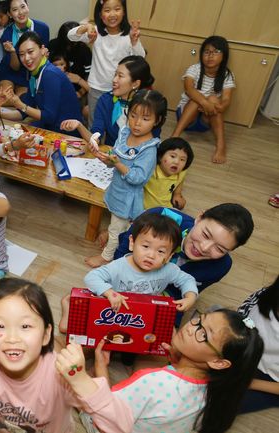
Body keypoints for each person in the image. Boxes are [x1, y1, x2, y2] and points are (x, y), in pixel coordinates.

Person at [0, 277, 125, 433]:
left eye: (25, 326)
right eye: (0, 326)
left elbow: (120, 427)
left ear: (46, 335)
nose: (12, 338)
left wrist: (80, 380)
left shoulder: (61, 375)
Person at [61, 307, 264, 433]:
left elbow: (110, 419)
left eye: (203, 334)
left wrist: (97, 370)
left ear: (219, 362)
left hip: (106, 425)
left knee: (57, 351)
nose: (191, 327)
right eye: (199, 319)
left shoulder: (152, 381)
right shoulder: (219, 388)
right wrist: (177, 361)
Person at [59, 212, 198, 332]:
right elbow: (92, 276)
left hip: (140, 312)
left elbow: (187, 279)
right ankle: (68, 303)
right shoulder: (119, 266)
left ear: (169, 256)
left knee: (167, 335)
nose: (151, 255)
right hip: (113, 307)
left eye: (161, 251)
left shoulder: (169, 269)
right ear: (132, 243)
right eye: (145, 246)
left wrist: (190, 297)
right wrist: (110, 293)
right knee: (77, 327)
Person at [84, 89, 167, 268]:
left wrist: (117, 163)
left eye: (145, 119)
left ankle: (106, 257)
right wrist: (103, 157)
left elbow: (138, 178)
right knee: (119, 227)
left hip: (128, 199)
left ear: (157, 120)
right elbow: (114, 158)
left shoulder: (149, 149)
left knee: (116, 230)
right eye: (133, 115)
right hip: (116, 190)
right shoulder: (124, 132)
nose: (137, 123)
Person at [114, 203, 255, 302]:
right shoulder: (158, 218)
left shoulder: (220, 266)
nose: (204, 247)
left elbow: (181, 295)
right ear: (199, 218)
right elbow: (121, 255)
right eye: (205, 234)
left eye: (219, 249)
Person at [68, 0, 145, 124]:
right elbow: (71, 36)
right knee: (94, 123)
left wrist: (134, 41)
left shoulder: (128, 35)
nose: (112, 14)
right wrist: (87, 27)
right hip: (97, 88)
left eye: (117, 9)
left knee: (117, 123)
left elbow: (140, 58)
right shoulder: (96, 33)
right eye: (107, 10)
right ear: (100, 14)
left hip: (122, 89)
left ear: (124, 12)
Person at [61, 55, 157, 146]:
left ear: (135, 84)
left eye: (120, 76)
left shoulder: (150, 106)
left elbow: (152, 143)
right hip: (111, 154)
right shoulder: (106, 100)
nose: (114, 80)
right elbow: (96, 138)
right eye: (115, 74)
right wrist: (79, 125)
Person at [1, 31, 83, 134]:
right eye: (21, 54)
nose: (26, 58)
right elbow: (22, 113)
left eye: (30, 52)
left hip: (66, 133)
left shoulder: (50, 74)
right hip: (48, 127)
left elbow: (48, 117)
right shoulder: (34, 75)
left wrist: (21, 105)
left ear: (42, 49)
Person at [172, 36, 235, 164]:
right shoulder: (195, 69)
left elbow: (226, 99)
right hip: (186, 117)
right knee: (197, 98)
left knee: (214, 99)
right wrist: (204, 102)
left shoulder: (227, 75)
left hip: (205, 121)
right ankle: (174, 136)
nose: (210, 56)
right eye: (207, 52)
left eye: (215, 52)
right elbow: (189, 89)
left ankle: (221, 146)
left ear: (224, 55)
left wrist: (221, 106)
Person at [238, 274, 279, 413]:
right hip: (245, 350)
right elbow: (243, 317)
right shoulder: (265, 295)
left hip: (269, 380)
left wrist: (250, 383)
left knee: (218, 405)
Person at [0, 0, 49, 98]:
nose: (20, 12)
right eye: (15, 9)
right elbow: (15, 67)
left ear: (28, 6)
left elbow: (44, 58)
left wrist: (44, 56)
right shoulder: (7, 34)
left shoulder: (42, 28)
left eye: (23, 7)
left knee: (23, 99)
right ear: (9, 14)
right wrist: (13, 52)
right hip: (9, 70)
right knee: (6, 96)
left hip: (29, 74)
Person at [144, 137, 194, 210]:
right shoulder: (151, 169)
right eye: (172, 156)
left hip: (165, 208)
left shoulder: (181, 172)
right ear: (160, 156)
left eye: (182, 159)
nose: (177, 162)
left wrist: (177, 194)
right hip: (143, 209)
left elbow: (181, 180)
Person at [49, 20, 92, 87]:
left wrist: (81, 89)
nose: (69, 47)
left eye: (74, 43)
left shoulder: (84, 50)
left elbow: (89, 76)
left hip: (79, 86)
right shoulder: (53, 45)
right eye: (67, 44)